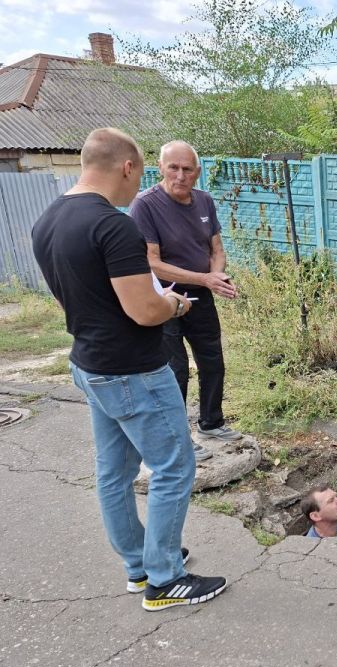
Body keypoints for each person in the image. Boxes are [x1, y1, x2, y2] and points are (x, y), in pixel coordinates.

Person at [31, 127, 227, 611]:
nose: (137, 187)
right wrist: (177, 306)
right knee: (174, 465)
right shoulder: (113, 225)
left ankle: (140, 564)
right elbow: (144, 310)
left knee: (114, 472)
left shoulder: (49, 219)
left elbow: (78, 295)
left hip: (90, 363)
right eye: (141, 174)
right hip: (132, 370)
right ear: (128, 167)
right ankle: (164, 579)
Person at [128, 141, 240, 461]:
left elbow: (216, 250)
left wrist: (216, 277)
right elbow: (152, 262)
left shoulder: (204, 201)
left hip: (201, 296)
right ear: (161, 168)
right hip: (164, 298)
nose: (180, 175)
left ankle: (211, 422)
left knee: (212, 361)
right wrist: (205, 278)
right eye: (173, 167)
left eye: (187, 168)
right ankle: (179, 439)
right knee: (175, 370)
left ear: (197, 172)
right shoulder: (145, 205)